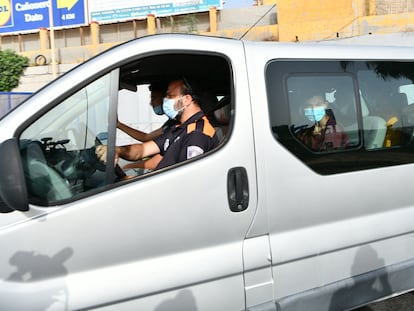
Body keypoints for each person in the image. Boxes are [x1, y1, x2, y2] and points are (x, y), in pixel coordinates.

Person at [96, 78, 218, 171]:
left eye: (170, 96)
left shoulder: (197, 135)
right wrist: (117, 150)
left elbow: (186, 181)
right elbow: (143, 149)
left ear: (186, 100)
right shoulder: (177, 128)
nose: (166, 101)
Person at [117, 82, 177, 170]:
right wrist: (119, 125)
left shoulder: (180, 126)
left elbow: (162, 160)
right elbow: (146, 137)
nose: (151, 103)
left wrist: (128, 167)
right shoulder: (170, 124)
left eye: (154, 98)